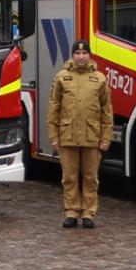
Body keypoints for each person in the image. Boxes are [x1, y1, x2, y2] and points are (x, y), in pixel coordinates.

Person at [47, 40, 112, 228]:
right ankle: (71, 212)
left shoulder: (99, 79)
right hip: (68, 135)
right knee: (69, 177)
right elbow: (54, 108)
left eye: (84, 53)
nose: (81, 57)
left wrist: (106, 137)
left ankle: (89, 213)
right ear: (73, 55)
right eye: (77, 53)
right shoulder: (62, 77)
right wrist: (53, 136)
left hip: (92, 135)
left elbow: (106, 110)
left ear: (90, 56)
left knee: (90, 177)